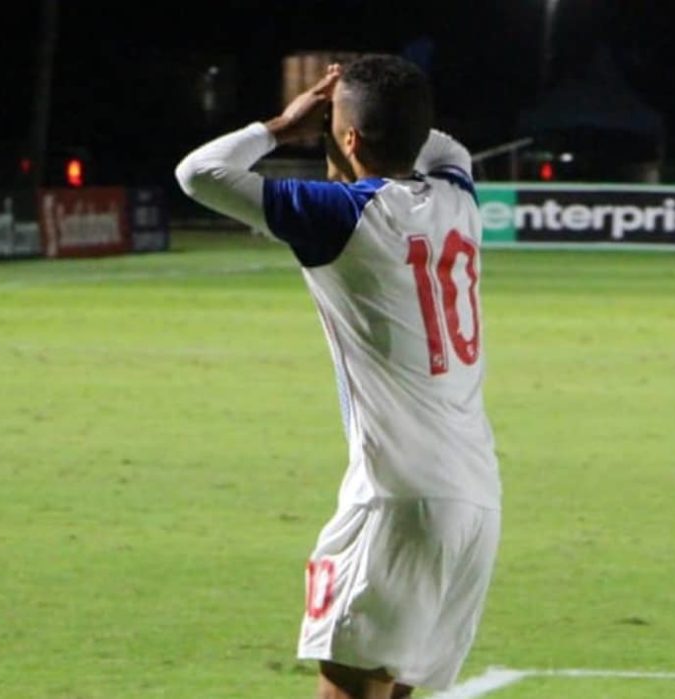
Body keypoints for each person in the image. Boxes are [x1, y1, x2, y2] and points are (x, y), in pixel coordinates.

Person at [175, 54, 501, 698]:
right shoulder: (457, 195)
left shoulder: (342, 215)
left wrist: (281, 125)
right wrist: (361, 110)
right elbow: (438, 141)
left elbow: (198, 173)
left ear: (348, 137)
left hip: (395, 498)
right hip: (475, 502)